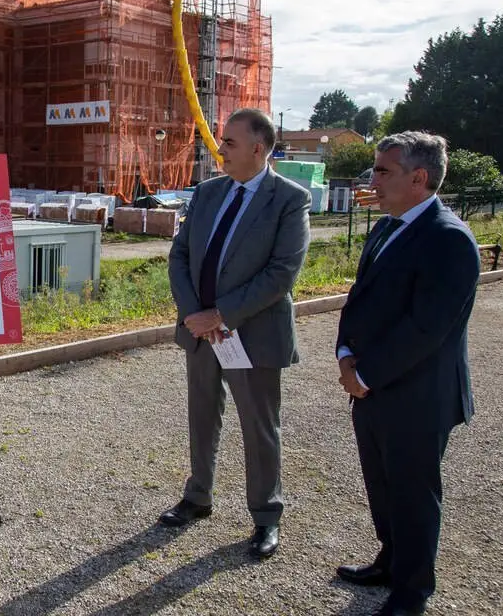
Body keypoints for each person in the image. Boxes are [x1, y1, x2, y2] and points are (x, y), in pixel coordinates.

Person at [334, 132, 479, 616]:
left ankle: (412, 590)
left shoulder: (448, 238)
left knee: (414, 492)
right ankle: (390, 559)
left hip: (418, 395)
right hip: (372, 386)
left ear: (418, 178)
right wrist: (346, 352)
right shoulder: (386, 227)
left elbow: (426, 328)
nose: (371, 180)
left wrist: (366, 372)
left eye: (381, 171)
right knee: (382, 483)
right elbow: (361, 299)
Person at [163, 108, 311, 559]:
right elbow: (179, 255)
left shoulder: (289, 199)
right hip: (201, 332)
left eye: (228, 142)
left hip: (251, 332)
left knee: (259, 426)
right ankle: (197, 496)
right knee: (202, 416)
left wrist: (221, 315)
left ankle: (266, 516)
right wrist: (195, 315)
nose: (220, 149)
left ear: (257, 149)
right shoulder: (208, 193)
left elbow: (281, 274)